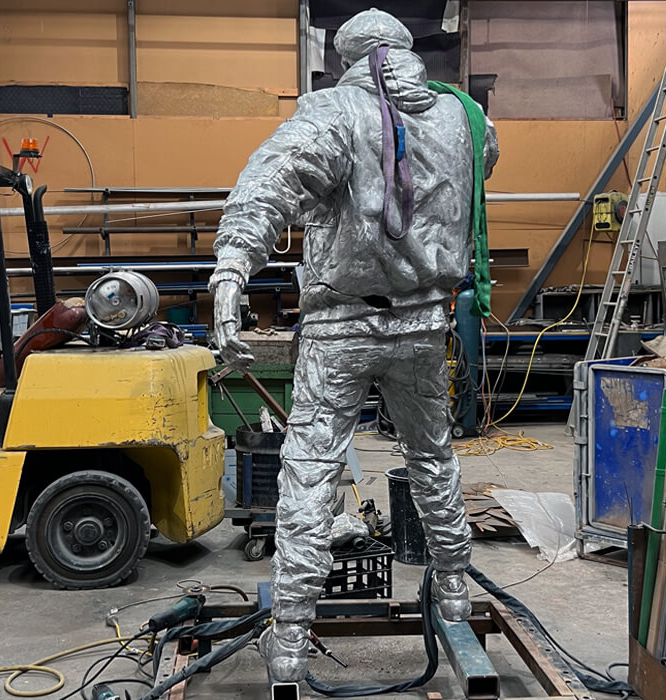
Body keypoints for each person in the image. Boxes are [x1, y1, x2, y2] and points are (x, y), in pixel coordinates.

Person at [208, 8, 498, 683]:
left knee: (310, 468)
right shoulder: (464, 117)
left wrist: (231, 269)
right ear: (403, 51)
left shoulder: (334, 112)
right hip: (425, 322)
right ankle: (453, 585)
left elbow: (270, 184)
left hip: (342, 324)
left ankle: (292, 637)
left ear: (348, 57)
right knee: (433, 458)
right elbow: (480, 163)